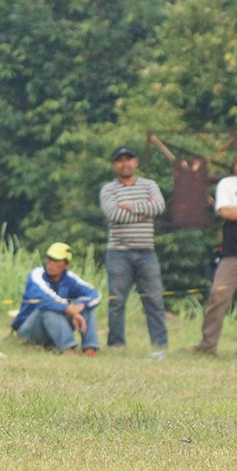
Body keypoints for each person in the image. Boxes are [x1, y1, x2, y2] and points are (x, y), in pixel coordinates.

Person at [99, 145, 169, 358]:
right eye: (120, 160)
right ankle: (116, 345)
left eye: (128, 159)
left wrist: (130, 206)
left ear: (136, 162)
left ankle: (160, 345)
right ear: (114, 165)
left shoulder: (149, 185)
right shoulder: (108, 189)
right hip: (118, 253)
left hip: (147, 252)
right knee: (117, 300)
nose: (125, 163)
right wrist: (143, 211)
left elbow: (159, 207)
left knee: (154, 300)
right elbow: (113, 214)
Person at [193, 143, 237, 357]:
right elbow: (225, 211)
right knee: (219, 294)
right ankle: (207, 345)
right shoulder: (227, 184)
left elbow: (233, 212)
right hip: (232, 252)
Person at [10, 242, 102, 356]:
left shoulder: (70, 278)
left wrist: (80, 307)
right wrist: (70, 310)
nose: (51, 264)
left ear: (66, 265)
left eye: (56, 261)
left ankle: (89, 348)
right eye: (49, 259)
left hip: (55, 330)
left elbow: (95, 294)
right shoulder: (36, 274)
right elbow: (45, 298)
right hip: (30, 330)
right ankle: (67, 348)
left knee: (85, 305)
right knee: (48, 308)